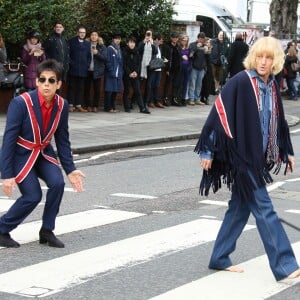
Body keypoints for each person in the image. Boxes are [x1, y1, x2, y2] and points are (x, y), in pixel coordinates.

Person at [195, 36, 300, 282]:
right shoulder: (241, 82)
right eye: (259, 57)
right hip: (242, 157)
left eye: (269, 58)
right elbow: (218, 114)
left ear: (275, 61)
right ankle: (285, 265)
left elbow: (278, 122)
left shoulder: (272, 85)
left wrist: (287, 151)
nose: (263, 62)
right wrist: (208, 151)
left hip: (258, 156)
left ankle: (220, 256)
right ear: (253, 58)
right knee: (265, 208)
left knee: (240, 208)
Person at [0, 59, 85, 248]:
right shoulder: (21, 103)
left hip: (43, 153)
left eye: (51, 80)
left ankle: (47, 231)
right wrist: (6, 175)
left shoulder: (62, 106)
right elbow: (8, 140)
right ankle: (2, 229)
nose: (46, 84)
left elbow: (62, 140)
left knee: (58, 183)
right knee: (32, 196)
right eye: (43, 79)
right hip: (21, 154)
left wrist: (70, 169)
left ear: (59, 84)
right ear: (37, 81)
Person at [122, 36, 150, 114]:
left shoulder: (136, 52)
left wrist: (136, 72)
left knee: (137, 91)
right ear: (127, 43)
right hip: (127, 75)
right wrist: (129, 73)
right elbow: (124, 64)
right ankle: (127, 107)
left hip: (135, 74)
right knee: (127, 91)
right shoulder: (124, 52)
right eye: (130, 42)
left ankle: (142, 108)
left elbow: (138, 64)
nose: (132, 44)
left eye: (133, 42)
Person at [67, 25, 91, 112]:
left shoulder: (88, 44)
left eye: (83, 33)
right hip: (73, 68)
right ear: (77, 33)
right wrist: (71, 63)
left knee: (80, 88)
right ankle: (70, 105)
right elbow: (67, 54)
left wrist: (87, 65)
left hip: (83, 69)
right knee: (72, 87)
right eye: (80, 32)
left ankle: (78, 105)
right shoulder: (71, 42)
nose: (82, 34)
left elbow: (89, 56)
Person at [84, 31, 107, 112]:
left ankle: (95, 106)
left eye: (95, 35)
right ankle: (88, 105)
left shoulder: (102, 46)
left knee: (97, 90)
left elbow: (104, 58)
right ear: (90, 36)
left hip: (97, 71)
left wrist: (97, 53)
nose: (93, 36)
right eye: (92, 35)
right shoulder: (86, 45)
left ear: (98, 37)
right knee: (87, 89)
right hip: (87, 70)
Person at [144, 33, 165, 109]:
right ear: (156, 40)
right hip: (153, 68)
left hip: (159, 68)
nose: (161, 42)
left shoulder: (160, 47)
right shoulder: (152, 46)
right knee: (150, 85)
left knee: (156, 85)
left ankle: (156, 100)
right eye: (160, 40)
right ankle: (150, 101)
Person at [104, 33, 123, 113]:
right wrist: (111, 71)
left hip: (118, 73)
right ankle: (108, 107)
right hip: (111, 73)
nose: (117, 40)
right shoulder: (110, 48)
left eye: (119, 39)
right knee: (109, 91)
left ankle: (113, 106)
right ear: (113, 39)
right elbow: (107, 61)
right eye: (116, 38)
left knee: (115, 91)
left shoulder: (119, 49)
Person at [162, 32, 182, 106]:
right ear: (171, 38)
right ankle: (166, 98)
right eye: (174, 37)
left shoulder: (178, 47)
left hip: (177, 68)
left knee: (176, 84)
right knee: (168, 84)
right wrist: (167, 69)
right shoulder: (167, 46)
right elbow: (165, 58)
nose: (175, 39)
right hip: (170, 68)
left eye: (176, 38)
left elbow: (179, 57)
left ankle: (174, 98)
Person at [187, 32, 208, 105]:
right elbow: (190, 55)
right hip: (194, 67)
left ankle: (197, 99)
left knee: (199, 85)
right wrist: (196, 47)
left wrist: (208, 50)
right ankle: (191, 99)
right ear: (198, 38)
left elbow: (207, 56)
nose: (201, 41)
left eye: (203, 39)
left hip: (201, 68)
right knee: (192, 84)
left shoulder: (204, 46)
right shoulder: (192, 45)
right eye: (200, 39)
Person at [178, 34, 191, 106]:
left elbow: (190, 57)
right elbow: (178, 56)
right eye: (184, 40)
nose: (185, 42)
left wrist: (190, 55)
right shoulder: (179, 48)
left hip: (187, 67)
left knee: (185, 83)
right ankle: (178, 98)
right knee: (180, 83)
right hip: (181, 67)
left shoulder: (188, 48)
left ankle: (183, 99)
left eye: (186, 41)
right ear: (181, 40)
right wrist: (182, 56)